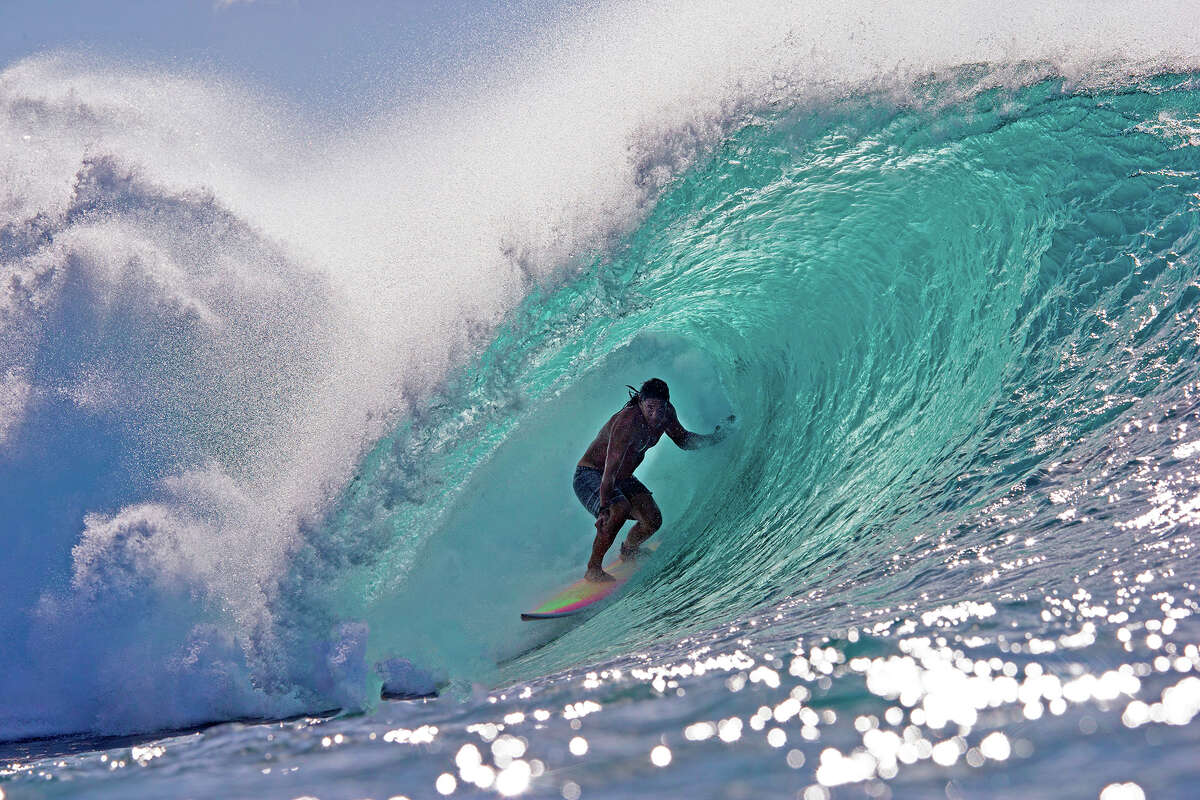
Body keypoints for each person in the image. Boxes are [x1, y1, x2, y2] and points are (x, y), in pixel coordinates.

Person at [572, 378, 733, 582]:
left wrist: (713, 438)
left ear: (667, 404)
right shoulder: (626, 424)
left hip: (622, 478)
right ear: (640, 402)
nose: (655, 415)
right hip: (592, 474)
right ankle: (593, 569)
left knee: (652, 520)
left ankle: (628, 551)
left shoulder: (666, 414)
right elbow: (609, 470)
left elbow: (682, 440)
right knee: (618, 509)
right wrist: (604, 508)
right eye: (650, 408)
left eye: (661, 408)